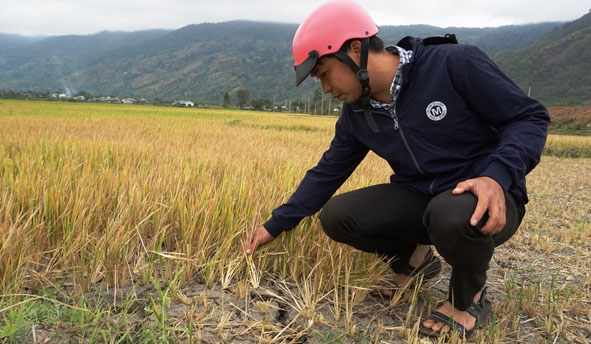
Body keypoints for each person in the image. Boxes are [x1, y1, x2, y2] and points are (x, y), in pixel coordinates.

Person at [244, 0, 549, 338]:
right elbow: (327, 171)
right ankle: (414, 260)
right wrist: (276, 224)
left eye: (325, 73)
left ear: (355, 49)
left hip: (484, 197)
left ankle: (468, 297)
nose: (326, 90)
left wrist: (497, 176)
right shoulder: (357, 113)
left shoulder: (453, 64)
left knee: (451, 214)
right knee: (337, 216)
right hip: (421, 197)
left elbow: (529, 117)